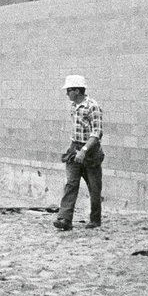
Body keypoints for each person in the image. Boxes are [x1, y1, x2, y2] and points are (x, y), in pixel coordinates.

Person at [54, 75, 104, 231]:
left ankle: (95, 219)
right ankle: (65, 219)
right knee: (71, 183)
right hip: (74, 147)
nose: (67, 93)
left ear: (77, 90)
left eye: (69, 90)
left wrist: (84, 150)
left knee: (94, 186)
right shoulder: (73, 106)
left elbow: (97, 133)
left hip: (90, 150)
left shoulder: (92, 106)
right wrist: (75, 149)